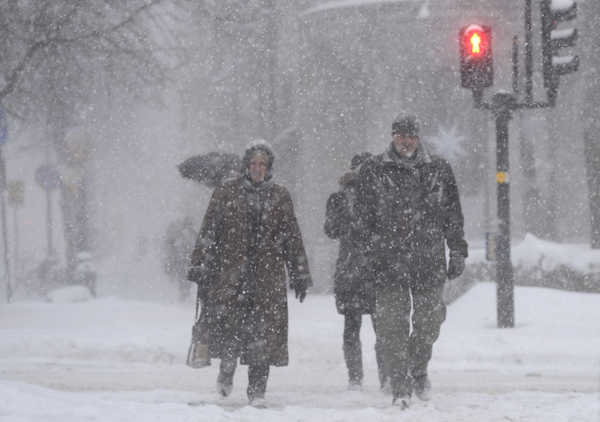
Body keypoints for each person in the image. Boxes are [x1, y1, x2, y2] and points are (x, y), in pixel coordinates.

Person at [187, 140, 312, 408]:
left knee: (263, 336)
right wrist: (200, 263)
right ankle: (227, 369)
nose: (258, 168)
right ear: (246, 165)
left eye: (262, 164)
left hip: (267, 277)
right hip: (231, 274)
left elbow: (292, 237)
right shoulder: (226, 192)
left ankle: (257, 391)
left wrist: (300, 273)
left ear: (269, 168)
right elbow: (210, 229)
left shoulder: (280, 195)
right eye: (253, 163)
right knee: (230, 329)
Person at [355, 112, 468, 409]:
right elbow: (363, 221)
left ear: (419, 138)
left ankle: (418, 370)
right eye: (401, 135)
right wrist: (366, 257)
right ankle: (400, 388)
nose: (406, 141)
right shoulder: (373, 170)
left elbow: (452, 215)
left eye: (411, 136)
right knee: (392, 329)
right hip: (388, 262)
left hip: (428, 260)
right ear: (393, 136)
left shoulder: (438, 170)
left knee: (429, 323)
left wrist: (457, 249)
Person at [324, 152, 388, 392]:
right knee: (352, 327)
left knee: (382, 328)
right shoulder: (338, 199)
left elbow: (385, 230)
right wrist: (347, 212)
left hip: (375, 270)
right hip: (350, 270)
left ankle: (386, 376)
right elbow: (330, 230)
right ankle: (355, 378)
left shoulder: (380, 198)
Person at [162, 217, 197, 301]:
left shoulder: (191, 234)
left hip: (187, 258)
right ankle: (183, 292)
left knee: (186, 275)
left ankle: (185, 292)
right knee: (182, 275)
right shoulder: (180, 234)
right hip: (182, 258)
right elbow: (174, 245)